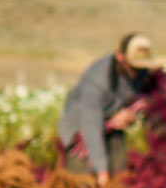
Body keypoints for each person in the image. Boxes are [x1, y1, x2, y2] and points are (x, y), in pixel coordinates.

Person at [58, 34, 157, 180]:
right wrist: (102, 171)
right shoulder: (97, 80)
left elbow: (139, 100)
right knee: (83, 182)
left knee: (119, 176)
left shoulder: (141, 73)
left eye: (141, 67)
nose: (137, 72)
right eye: (133, 66)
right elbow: (91, 126)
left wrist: (130, 115)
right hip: (81, 132)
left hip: (111, 125)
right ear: (120, 56)